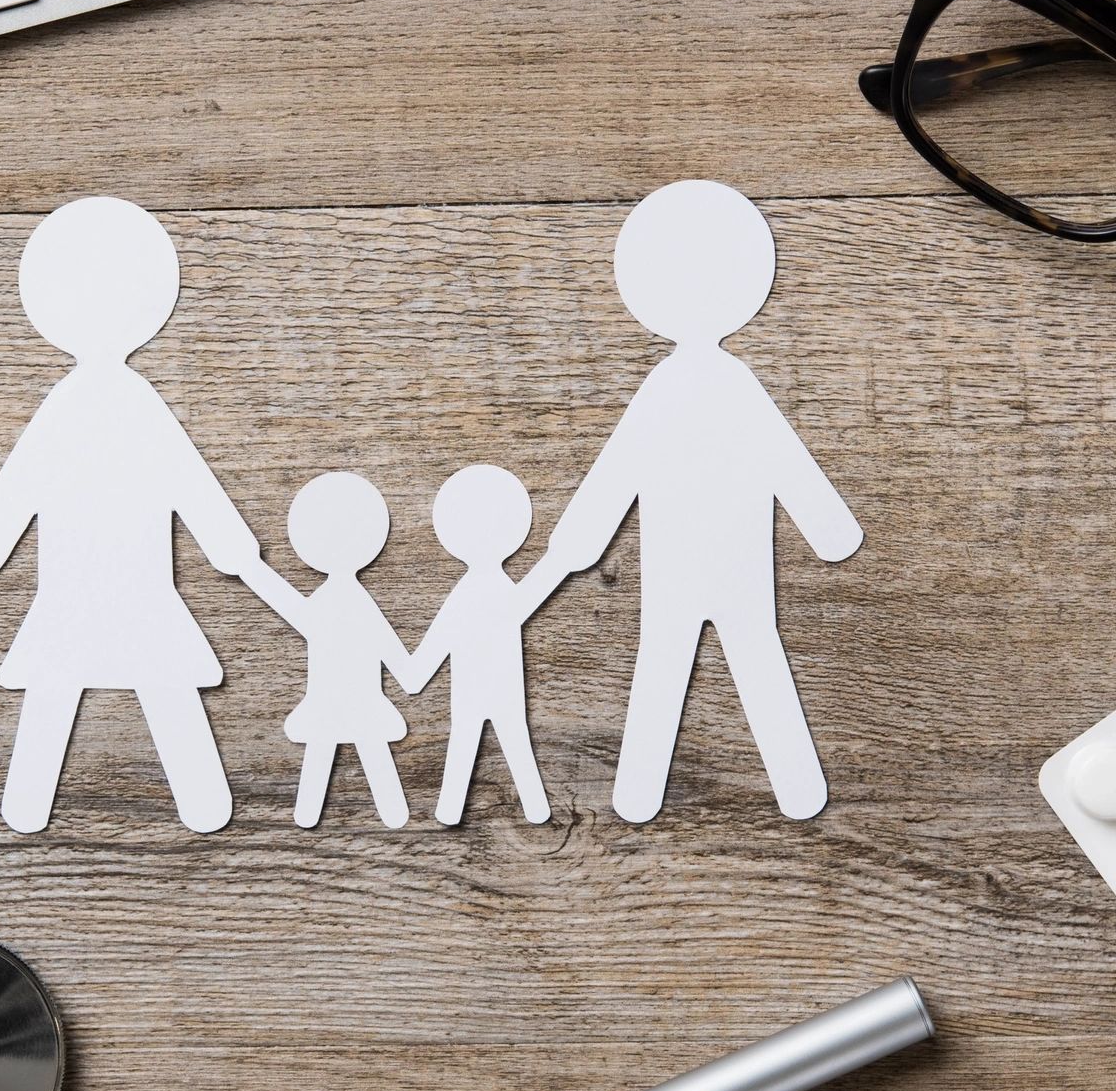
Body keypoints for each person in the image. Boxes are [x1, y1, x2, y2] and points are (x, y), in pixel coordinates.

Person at [524, 181, 862, 823]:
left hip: (698, 562)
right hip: (711, 561)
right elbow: (769, 457)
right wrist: (829, 529)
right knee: (739, 650)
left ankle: (646, 793)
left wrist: (578, 542)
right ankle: (775, 791)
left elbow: (626, 467)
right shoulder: (716, 381)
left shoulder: (685, 383)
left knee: (683, 653)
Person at [0, 197, 259, 834]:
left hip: (117, 587)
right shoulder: (103, 402)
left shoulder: (105, 402)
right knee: (90, 674)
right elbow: (31, 479)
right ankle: (183, 803)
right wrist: (229, 544)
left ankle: (50, 805)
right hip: (104, 588)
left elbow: (177, 476)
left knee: (80, 674)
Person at [244, 472, 414, 828]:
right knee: (351, 744)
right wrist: (251, 570)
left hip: (345, 701)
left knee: (339, 743)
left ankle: (321, 814)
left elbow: (293, 609)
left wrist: (253, 571)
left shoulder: (341, 602)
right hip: (351, 701)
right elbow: (395, 657)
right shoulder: (350, 602)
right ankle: (379, 813)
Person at [404, 464, 553, 825]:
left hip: (477, 692)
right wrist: (557, 562)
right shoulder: (498, 590)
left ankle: (455, 809)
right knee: (507, 741)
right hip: (496, 692)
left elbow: (433, 649)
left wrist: (412, 672)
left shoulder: (468, 593)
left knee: (473, 741)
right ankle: (531, 807)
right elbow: (536, 591)